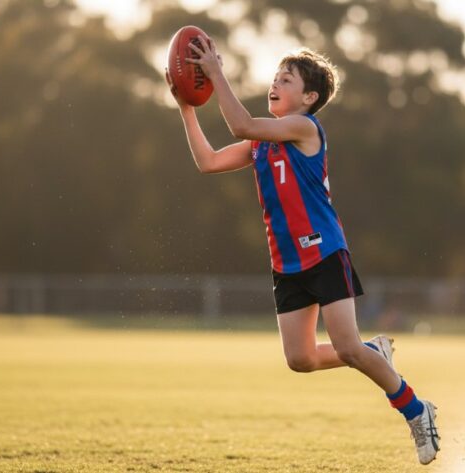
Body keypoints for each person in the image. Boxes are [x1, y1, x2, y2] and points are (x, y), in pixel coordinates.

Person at [165, 38, 440, 465]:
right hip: (286, 262)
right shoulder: (262, 143)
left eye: (286, 79)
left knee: (346, 348)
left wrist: (216, 73)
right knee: (301, 359)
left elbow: (240, 124)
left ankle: (415, 409)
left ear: (309, 98)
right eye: (275, 76)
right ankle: (373, 353)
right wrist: (186, 106)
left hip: (325, 251)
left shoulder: (305, 128)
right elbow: (208, 162)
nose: (275, 82)